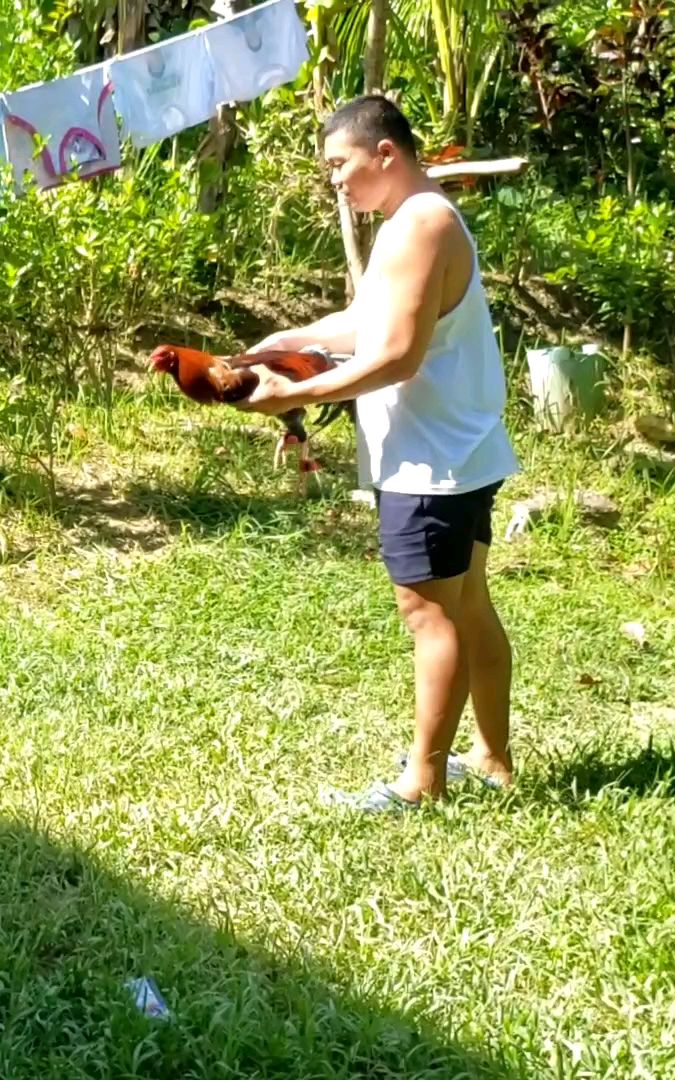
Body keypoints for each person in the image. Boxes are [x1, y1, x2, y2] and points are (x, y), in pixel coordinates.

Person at [240, 95, 519, 812]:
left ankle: (422, 782)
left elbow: (396, 356)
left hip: (431, 461)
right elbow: (369, 321)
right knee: (468, 607)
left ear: (385, 153)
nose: (335, 180)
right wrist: (292, 341)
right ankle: (491, 759)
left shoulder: (419, 225)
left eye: (341, 163)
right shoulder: (419, 219)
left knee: (430, 617)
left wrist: (294, 393)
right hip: (460, 449)